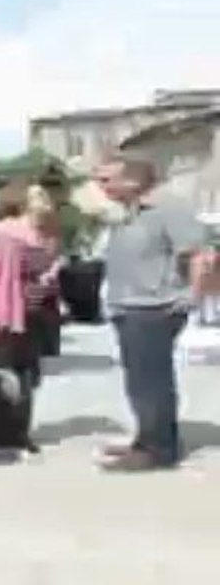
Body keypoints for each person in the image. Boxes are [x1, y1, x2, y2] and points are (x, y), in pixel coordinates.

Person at [93, 155, 210, 472]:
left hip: (155, 307)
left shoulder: (168, 209)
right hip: (128, 307)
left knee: (152, 381)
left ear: (132, 180)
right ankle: (146, 439)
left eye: (106, 179)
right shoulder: (128, 213)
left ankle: (160, 449)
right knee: (138, 381)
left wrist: (191, 297)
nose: (100, 186)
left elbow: (200, 255)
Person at [0, 181, 61, 457]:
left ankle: (8, 434)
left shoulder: (19, 235)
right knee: (15, 373)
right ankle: (9, 434)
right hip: (20, 312)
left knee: (14, 374)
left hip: (19, 312)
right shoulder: (26, 235)